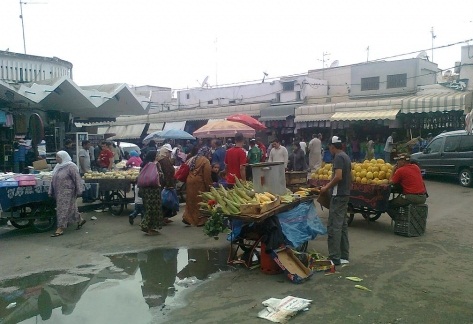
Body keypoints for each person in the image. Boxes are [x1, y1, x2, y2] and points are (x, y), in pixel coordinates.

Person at [319, 136, 351, 266]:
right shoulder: (346, 156)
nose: (330, 150)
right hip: (345, 194)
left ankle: (334, 257)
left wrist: (326, 187)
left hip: (338, 196)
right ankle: (344, 255)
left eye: (330, 148)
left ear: (333, 147)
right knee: (342, 226)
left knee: (334, 226)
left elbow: (338, 176)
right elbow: (351, 177)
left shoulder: (338, 157)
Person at [49, 151, 86, 237]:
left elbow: (77, 179)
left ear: (63, 157)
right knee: (71, 207)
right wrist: (51, 190)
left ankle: (60, 228)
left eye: (58, 157)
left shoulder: (71, 166)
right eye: (56, 157)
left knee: (62, 209)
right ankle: (80, 220)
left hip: (67, 192)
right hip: (59, 191)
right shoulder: (58, 167)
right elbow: (53, 179)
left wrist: (79, 191)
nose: (56, 159)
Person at [387, 153, 427, 218]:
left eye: (398, 161)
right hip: (423, 197)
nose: (397, 163)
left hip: (412, 197)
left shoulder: (400, 170)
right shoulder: (416, 167)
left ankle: (400, 220)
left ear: (403, 161)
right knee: (399, 200)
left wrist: (393, 170)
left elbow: (390, 182)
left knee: (387, 205)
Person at [183, 146, 213, 226]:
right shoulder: (205, 161)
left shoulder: (192, 158)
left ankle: (188, 218)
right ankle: (200, 220)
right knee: (200, 201)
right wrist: (209, 186)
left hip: (189, 180)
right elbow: (207, 175)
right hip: (199, 183)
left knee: (190, 200)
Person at [139, 151, 165, 235]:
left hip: (144, 190)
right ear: (153, 156)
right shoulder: (155, 164)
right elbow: (160, 176)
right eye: (157, 155)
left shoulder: (144, 165)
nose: (158, 156)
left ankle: (149, 227)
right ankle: (147, 226)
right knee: (154, 209)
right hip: (154, 190)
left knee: (148, 207)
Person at [157, 143, 177, 223]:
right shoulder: (164, 160)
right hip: (166, 183)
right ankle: (163, 217)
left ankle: (165, 217)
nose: (170, 153)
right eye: (169, 152)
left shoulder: (161, 159)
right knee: (166, 200)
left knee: (165, 200)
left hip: (162, 182)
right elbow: (168, 172)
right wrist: (169, 185)